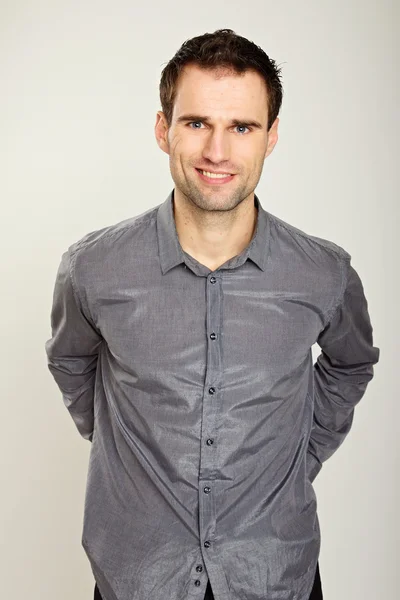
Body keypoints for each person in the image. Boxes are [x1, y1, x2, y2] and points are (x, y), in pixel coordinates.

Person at [45, 29, 379, 600]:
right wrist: (121, 443)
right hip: (138, 577)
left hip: (275, 575)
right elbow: (71, 362)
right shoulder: (92, 268)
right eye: (196, 123)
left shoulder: (324, 273)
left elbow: (351, 365)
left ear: (271, 137)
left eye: (241, 127)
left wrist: (303, 447)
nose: (217, 152)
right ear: (162, 130)